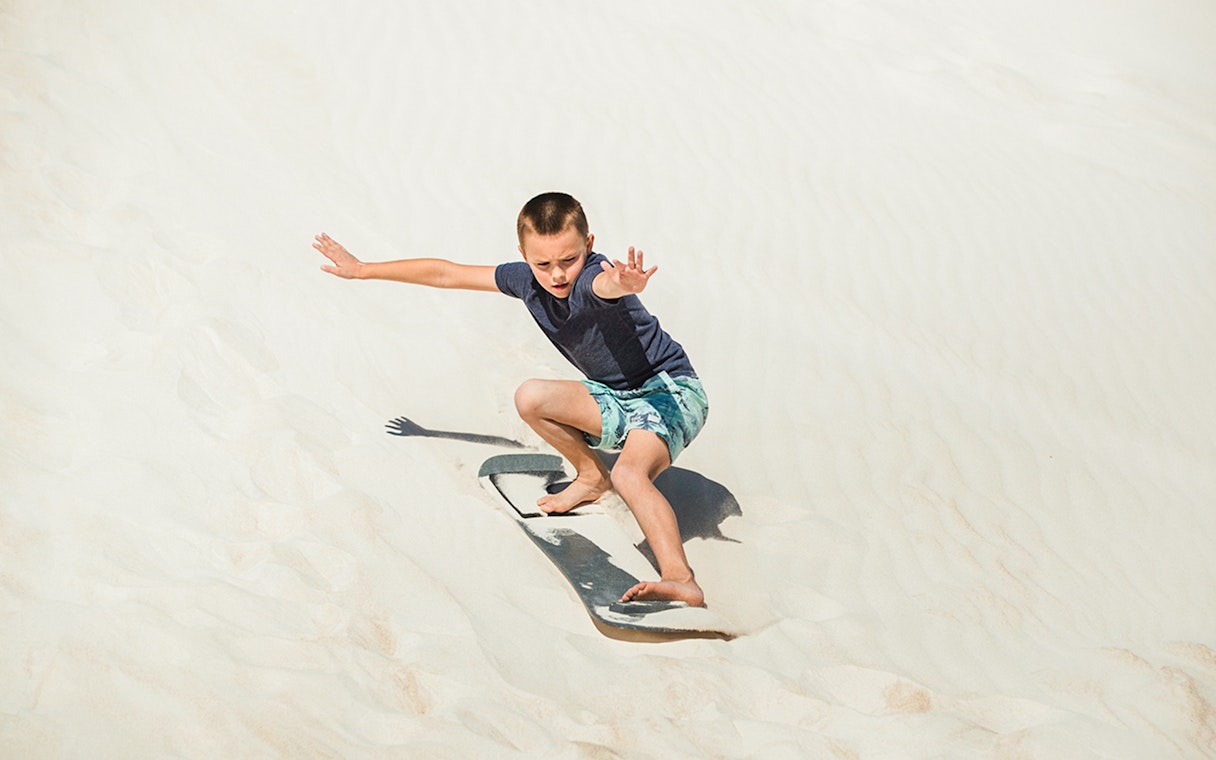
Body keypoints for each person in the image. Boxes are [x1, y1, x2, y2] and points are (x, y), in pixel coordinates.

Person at [312, 192, 709, 606]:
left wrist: (625, 284)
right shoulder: (524, 280)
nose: (557, 275)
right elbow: (446, 273)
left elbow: (603, 285)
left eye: (569, 260)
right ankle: (591, 476)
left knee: (630, 475)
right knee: (531, 397)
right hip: (616, 395)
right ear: (523, 255)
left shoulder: (594, 278)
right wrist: (361, 270)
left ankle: (682, 580)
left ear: (589, 246)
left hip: (669, 392)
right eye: (543, 264)